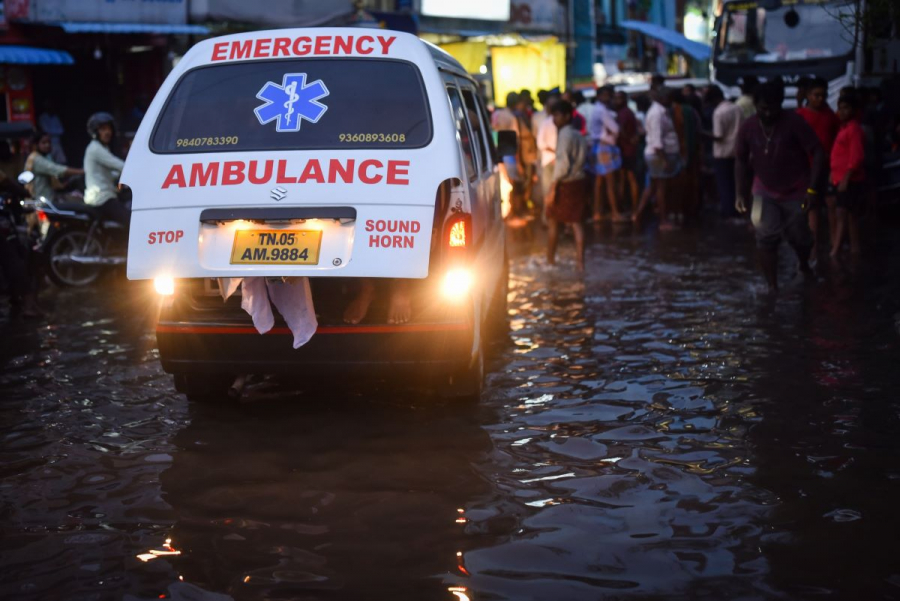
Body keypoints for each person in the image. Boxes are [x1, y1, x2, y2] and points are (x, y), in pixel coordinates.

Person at [735, 81, 826, 293]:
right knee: (765, 236)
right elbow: (739, 159)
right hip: (763, 190)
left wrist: (812, 189)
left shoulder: (794, 122)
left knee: (800, 237)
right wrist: (740, 192)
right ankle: (772, 286)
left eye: (772, 108)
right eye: (762, 108)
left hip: (797, 190)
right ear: (755, 104)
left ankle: (803, 264)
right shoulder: (748, 127)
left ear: (781, 104)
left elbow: (818, 152)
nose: (767, 113)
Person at [797, 77, 840, 258]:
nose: (820, 99)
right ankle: (813, 249)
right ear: (808, 95)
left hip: (828, 168)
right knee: (811, 207)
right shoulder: (800, 115)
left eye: (823, 95)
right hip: (806, 168)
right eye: (816, 95)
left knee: (832, 204)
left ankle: (833, 244)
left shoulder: (830, 116)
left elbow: (836, 140)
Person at [545, 100, 590, 271]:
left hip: (565, 183)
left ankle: (550, 261)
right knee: (577, 222)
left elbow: (562, 165)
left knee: (553, 221)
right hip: (579, 180)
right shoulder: (579, 134)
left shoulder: (564, 134)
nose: (554, 120)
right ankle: (580, 263)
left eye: (557, 115)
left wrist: (553, 187)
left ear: (566, 116)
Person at [634, 86, 681, 228]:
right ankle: (662, 220)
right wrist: (665, 159)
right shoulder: (657, 113)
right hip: (658, 155)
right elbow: (657, 141)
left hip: (657, 154)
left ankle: (638, 215)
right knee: (661, 188)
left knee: (653, 186)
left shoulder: (660, 111)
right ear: (662, 98)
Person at [828, 90, 866, 258]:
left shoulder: (854, 129)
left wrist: (846, 177)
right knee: (850, 217)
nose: (842, 111)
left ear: (854, 110)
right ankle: (854, 249)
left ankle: (835, 252)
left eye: (846, 108)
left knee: (841, 214)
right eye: (840, 108)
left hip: (849, 181)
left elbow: (856, 156)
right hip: (841, 178)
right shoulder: (844, 129)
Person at [706, 86, 744, 220]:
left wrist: (703, 134)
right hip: (737, 151)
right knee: (736, 183)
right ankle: (738, 210)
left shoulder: (718, 112)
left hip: (722, 154)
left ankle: (728, 211)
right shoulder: (737, 108)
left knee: (724, 184)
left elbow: (718, 135)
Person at [84, 112, 129, 224]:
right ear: (95, 131)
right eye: (103, 129)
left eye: (109, 129)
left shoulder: (102, 148)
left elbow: (111, 172)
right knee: (131, 221)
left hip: (104, 195)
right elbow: (119, 165)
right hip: (102, 198)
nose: (107, 132)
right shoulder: (96, 149)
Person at [589, 85, 623, 222]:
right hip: (604, 148)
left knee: (599, 182)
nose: (608, 98)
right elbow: (616, 129)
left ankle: (597, 212)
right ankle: (615, 213)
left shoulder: (597, 109)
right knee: (610, 182)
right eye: (605, 95)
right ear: (599, 96)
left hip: (597, 147)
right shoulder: (602, 111)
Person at [25, 131, 83, 202]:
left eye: (49, 142)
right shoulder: (37, 159)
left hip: (49, 198)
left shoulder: (44, 157)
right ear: (36, 145)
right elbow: (58, 170)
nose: (47, 145)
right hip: (43, 201)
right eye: (44, 143)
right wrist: (81, 172)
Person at [613, 90, 640, 212]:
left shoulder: (624, 113)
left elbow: (620, 129)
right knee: (626, 178)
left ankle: (632, 207)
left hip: (626, 150)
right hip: (627, 149)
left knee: (629, 178)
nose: (616, 101)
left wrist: (627, 139)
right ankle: (628, 206)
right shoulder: (627, 112)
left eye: (618, 98)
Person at [536, 92, 560, 210]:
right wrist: (555, 152)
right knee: (548, 191)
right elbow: (541, 143)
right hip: (549, 161)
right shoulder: (545, 123)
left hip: (558, 161)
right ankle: (548, 218)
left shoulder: (562, 124)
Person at [37, 100, 67, 164]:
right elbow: (46, 130)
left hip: (57, 143)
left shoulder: (55, 117)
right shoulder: (43, 117)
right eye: (48, 106)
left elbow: (61, 130)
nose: (50, 107)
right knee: (49, 162)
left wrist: (52, 132)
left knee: (62, 162)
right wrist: (55, 132)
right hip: (49, 143)